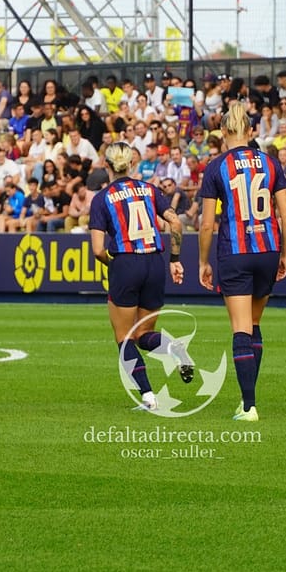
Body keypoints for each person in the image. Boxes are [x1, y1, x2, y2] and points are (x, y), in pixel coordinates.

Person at [198, 103, 286, 421]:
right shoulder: (269, 163)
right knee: (253, 324)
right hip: (267, 249)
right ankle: (247, 400)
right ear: (251, 132)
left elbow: (207, 223)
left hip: (235, 251)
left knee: (240, 328)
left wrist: (203, 261)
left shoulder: (216, 167)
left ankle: (249, 405)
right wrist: (285, 254)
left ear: (223, 132)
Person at [89, 142, 185, 412]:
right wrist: (175, 260)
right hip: (154, 261)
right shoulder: (150, 190)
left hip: (126, 262)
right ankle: (174, 349)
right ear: (132, 164)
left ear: (106, 165)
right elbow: (175, 222)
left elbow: (98, 250)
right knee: (145, 333)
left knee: (125, 338)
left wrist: (114, 264)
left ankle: (148, 396)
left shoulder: (102, 198)